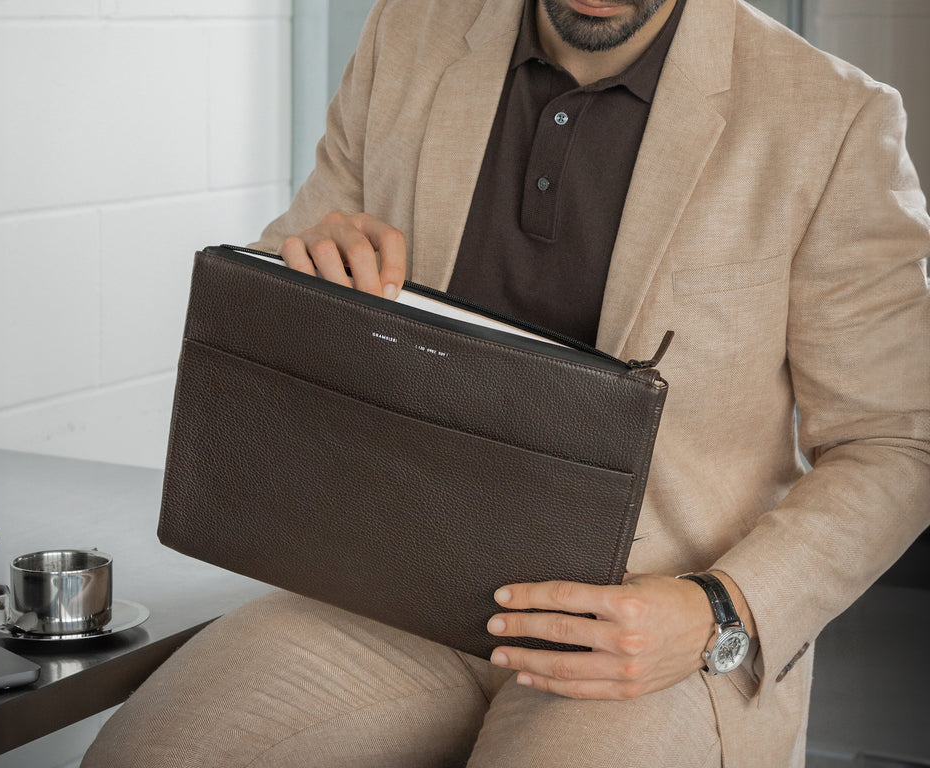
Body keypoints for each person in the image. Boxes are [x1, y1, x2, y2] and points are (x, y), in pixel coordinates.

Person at [82, 0, 930, 765]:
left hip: (646, 632)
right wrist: (302, 264)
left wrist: (717, 611)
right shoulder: (406, 31)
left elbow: (897, 443)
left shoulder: (833, 116)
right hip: (388, 587)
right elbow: (289, 278)